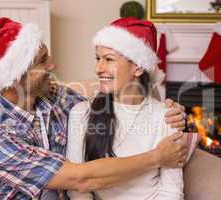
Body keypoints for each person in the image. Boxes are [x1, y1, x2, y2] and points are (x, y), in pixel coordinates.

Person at [0, 17, 187, 200]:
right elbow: (81, 180)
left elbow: (119, 102)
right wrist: (158, 157)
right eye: (42, 61)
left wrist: (169, 109)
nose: (53, 65)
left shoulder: (58, 98)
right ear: (16, 76)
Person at [66, 18, 184, 199]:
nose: (99, 68)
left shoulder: (168, 116)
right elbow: (77, 189)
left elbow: (171, 191)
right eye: (98, 58)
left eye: (109, 59)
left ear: (137, 67)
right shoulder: (81, 112)